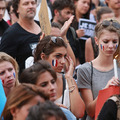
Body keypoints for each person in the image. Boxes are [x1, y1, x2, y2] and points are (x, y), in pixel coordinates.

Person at [77, 19, 120, 120]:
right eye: (105, 41)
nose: (111, 46)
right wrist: (106, 89)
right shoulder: (85, 70)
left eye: (115, 41)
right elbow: (90, 111)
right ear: (96, 41)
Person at [34, 36, 85, 118]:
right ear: (43, 57)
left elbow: (79, 113)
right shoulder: (32, 82)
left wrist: (69, 78)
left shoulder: (68, 80)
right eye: (58, 56)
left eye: (64, 56)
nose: (63, 61)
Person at [0, 0, 42, 75]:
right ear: (17, 9)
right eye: (26, 4)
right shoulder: (11, 34)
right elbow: (4, 64)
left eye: (33, 3)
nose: (31, 6)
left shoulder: (43, 26)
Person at [52, 0, 80, 65]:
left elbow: (77, 58)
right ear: (56, 12)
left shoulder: (72, 31)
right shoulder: (46, 29)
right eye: (67, 13)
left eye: (72, 13)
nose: (70, 17)